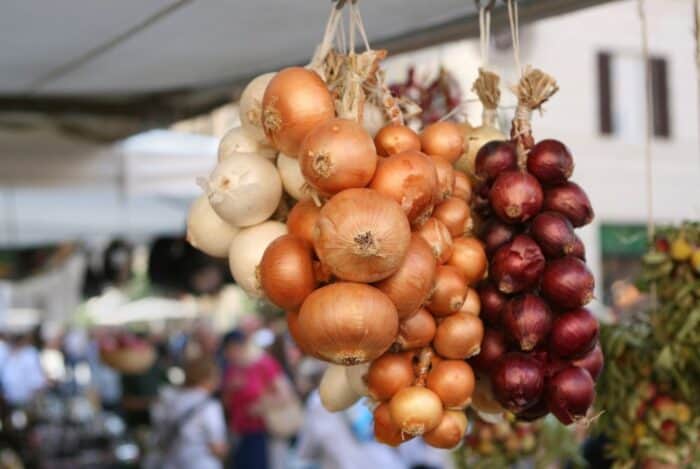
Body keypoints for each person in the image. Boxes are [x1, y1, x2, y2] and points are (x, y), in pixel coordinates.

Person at [221, 329, 290, 469]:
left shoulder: (263, 363)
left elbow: (285, 396)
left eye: (233, 349)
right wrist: (230, 390)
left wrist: (261, 407)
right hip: (238, 433)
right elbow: (226, 404)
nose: (230, 354)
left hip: (262, 433)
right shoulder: (231, 369)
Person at [149, 357, 228, 469]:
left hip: (169, 462)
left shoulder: (168, 397)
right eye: (216, 377)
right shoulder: (210, 407)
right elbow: (217, 447)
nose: (218, 381)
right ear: (206, 379)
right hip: (200, 463)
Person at [0, 333, 46, 407]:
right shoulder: (4, 351)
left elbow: (37, 381)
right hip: (7, 401)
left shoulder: (30, 354)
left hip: (26, 401)